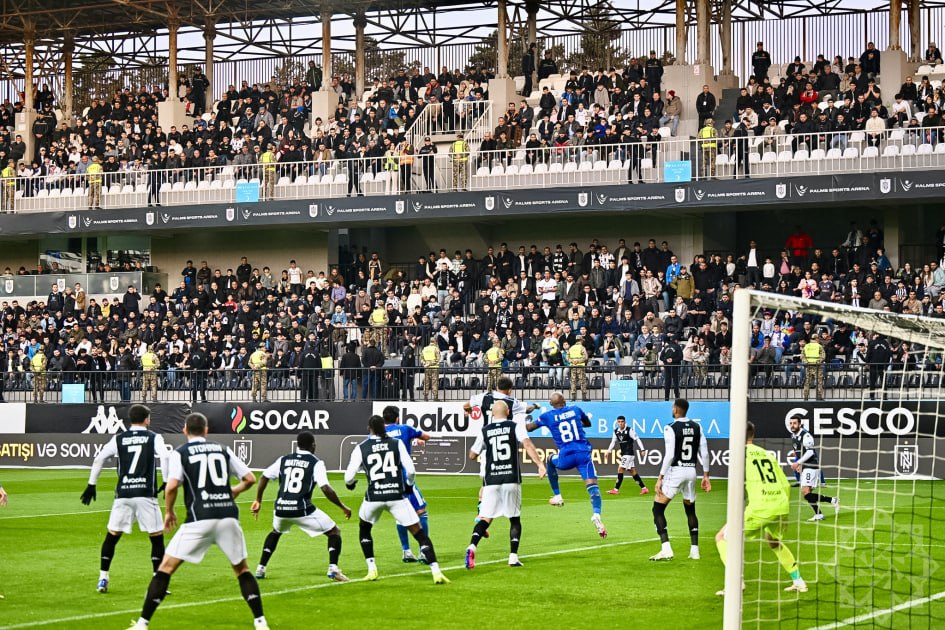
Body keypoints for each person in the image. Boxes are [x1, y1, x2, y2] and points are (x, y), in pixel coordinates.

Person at [129, 412, 268, 630]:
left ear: (184, 430)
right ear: (206, 430)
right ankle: (260, 622)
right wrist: (235, 491)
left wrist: (169, 512)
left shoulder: (180, 453)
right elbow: (250, 478)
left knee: (165, 568)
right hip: (227, 517)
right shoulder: (223, 450)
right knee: (242, 569)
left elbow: (173, 485)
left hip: (199, 518)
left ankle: (142, 624)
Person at [344, 415, 449, 584]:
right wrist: (408, 485)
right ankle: (436, 571)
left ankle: (372, 569)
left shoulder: (361, 447)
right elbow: (411, 471)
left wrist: (350, 484)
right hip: (396, 495)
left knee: (364, 529)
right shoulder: (397, 443)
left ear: (369, 429)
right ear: (384, 428)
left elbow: (348, 476)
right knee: (419, 533)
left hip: (374, 497)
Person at [79, 405, 168, 593]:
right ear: (147, 419)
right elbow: (166, 457)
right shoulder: (153, 437)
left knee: (112, 536)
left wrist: (91, 484)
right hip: (145, 493)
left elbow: (99, 458)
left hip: (124, 494)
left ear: (130, 419)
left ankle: (103, 578)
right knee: (156, 538)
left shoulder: (119, 438)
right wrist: (167, 481)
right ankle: (157, 582)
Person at [715, 421, 807, 596]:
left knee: (722, 538)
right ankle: (798, 581)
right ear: (753, 435)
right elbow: (785, 484)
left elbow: (737, 486)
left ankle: (735, 582)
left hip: (760, 507)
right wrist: (784, 512)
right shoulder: (767, 454)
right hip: (780, 504)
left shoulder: (739, 454)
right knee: (773, 540)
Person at [251, 431, 351, 581]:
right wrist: (342, 506)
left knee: (276, 531)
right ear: (313, 445)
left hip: (281, 508)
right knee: (334, 532)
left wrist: (258, 500)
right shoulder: (316, 462)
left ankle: (260, 568)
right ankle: (333, 568)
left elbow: (264, 476)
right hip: (302, 509)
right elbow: (325, 488)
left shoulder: (283, 459)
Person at [465, 400, 546, 569]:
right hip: (510, 478)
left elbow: (472, 455)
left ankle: (472, 545)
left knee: (486, 517)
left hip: (491, 481)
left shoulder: (485, 430)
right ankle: (513, 557)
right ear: (508, 411)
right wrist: (539, 464)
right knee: (514, 518)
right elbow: (527, 444)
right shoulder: (514, 426)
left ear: (492, 414)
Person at [525, 393, 607, 538]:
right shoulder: (575, 409)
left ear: (551, 404)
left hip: (566, 457)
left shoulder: (548, 416)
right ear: (564, 401)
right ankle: (596, 515)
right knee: (593, 487)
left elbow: (529, 428)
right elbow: (588, 423)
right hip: (583, 454)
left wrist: (520, 420)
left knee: (550, 459)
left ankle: (558, 496)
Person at [650, 398, 711, 561]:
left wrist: (660, 476)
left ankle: (666, 549)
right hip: (691, 471)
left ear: (676, 410)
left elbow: (669, 455)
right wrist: (706, 475)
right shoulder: (697, 427)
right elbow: (704, 453)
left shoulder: (670, 428)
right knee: (690, 510)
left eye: (672, 407)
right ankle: (695, 550)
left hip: (676, 471)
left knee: (657, 509)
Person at [380, 405, 432, 563]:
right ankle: (424, 550)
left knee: (400, 514)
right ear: (397, 418)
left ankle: (406, 551)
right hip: (404, 478)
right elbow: (426, 436)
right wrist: (415, 439)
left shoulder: (376, 434)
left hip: (386, 480)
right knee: (421, 511)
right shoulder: (405, 428)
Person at [788, 417, 839, 521]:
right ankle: (833, 500)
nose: (792, 425)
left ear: (799, 424)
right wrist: (798, 459)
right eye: (791, 423)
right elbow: (799, 449)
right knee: (807, 494)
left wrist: (798, 463)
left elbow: (810, 452)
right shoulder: (793, 435)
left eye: (794, 423)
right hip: (806, 466)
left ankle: (820, 514)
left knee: (806, 492)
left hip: (811, 465)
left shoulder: (806, 435)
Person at [605, 416, 648, 495]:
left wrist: (642, 449)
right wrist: (608, 451)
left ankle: (616, 489)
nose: (620, 423)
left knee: (620, 469)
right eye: (619, 422)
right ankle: (644, 488)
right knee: (632, 471)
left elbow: (637, 439)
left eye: (622, 422)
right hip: (625, 454)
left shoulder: (629, 430)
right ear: (617, 423)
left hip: (628, 453)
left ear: (625, 422)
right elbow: (613, 442)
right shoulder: (616, 431)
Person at [801, 336, 825, 401]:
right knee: (819, 382)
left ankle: (805, 397)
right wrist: (818, 362)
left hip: (808, 366)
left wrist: (806, 362)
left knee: (807, 382)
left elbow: (802, 356)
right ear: (817, 339)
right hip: (817, 366)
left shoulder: (806, 346)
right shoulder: (819, 346)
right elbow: (823, 356)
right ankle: (819, 397)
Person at [660, 334, 682, 401]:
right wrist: (673, 360)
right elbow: (681, 357)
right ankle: (677, 398)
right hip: (675, 366)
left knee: (667, 383)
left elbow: (661, 357)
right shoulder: (678, 347)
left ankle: (666, 398)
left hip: (667, 367)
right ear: (676, 340)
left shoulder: (666, 347)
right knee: (676, 383)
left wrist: (666, 360)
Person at [567, 335, 589, 400]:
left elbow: (567, 357)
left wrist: (573, 361)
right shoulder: (582, 347)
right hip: (580, 366)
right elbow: (586, 357)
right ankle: (584, 397)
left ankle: (573, 397)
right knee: (582, 381)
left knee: (573, 381)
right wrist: (578, 361)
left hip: (572, 366)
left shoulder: (571, 348)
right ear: (581, 340)